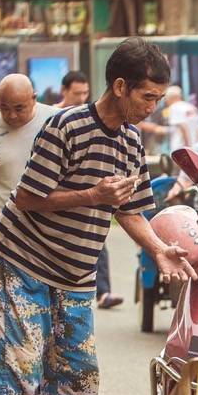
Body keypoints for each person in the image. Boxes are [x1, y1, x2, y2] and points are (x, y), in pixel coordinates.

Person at [0, 37, 197, 395]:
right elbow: (26, 198)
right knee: (20, 373)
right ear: (120, 86)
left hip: (75, 277)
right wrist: (92, 195)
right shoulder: (66, 126)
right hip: (26, 264)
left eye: (158, 97)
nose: (153, 106)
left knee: (78, 378)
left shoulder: (132, 142)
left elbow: (132, 212)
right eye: (147, 96)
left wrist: (159, 249)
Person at [0, 75, 56, 261]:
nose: (12, 115)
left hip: (49, 236)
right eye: (4, 108)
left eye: (19, 108)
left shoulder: (55, 121)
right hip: (3, 237)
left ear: (34, 98)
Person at [55, 72, 124, 309]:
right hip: (58, 207)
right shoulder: (56, 119)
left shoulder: (105, 126)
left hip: (92, 207)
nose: (81, 97)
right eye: (77, 93)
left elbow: (131, 211)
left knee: (97, 243)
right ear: (64, 91)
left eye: (85, 93)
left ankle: (103, 293)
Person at [165, 85, 198, 153]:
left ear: (170, 97)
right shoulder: (192, 107)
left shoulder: (174, 107)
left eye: (165, 98)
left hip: (181, 150)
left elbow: (183, 127)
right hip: (196, 149)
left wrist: (188, 149)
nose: (165, 101)